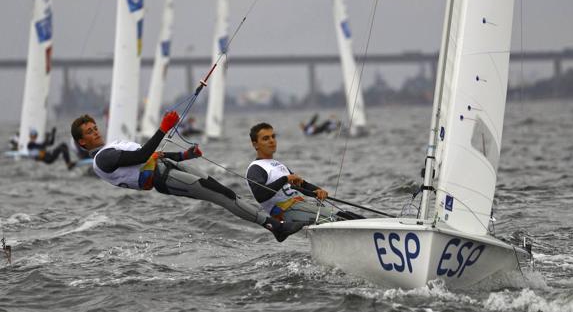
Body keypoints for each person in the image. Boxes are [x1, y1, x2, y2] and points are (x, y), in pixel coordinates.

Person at [70, 112, 303, 242]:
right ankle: (275, 227)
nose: (95, 131)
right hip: (164, 179)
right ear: (82, 142)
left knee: (225, 190)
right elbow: (143, 154)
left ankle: (275, 225)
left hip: (168, 167)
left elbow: (152, 156)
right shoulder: (102, 159)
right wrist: (163, 128)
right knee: (221, 196)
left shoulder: (111, 148)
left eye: (95, 127)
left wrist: (185, 155)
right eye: (89, 132)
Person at [247, 122, 363, 225]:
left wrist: (317, 190)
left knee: (352, 216)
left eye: (273, 136)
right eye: (266, 138)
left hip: (302, 206)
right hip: (286, 212)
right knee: (343, 220)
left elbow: (301, 185)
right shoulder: (255, 168)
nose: (272, 140)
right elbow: (260, 194)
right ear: (255, 144)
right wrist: (285, 179)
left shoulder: (277, 164)